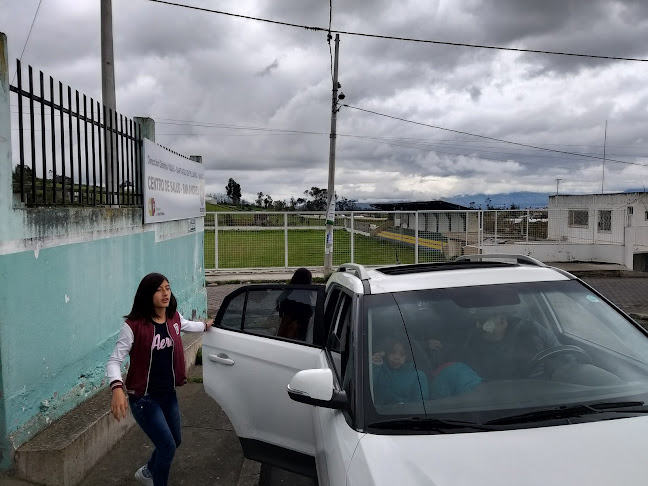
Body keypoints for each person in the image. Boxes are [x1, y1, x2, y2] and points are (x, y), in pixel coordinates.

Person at [106, 273, 213, 486]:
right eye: (159, 289)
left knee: (175, 441)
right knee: (167, 447)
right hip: (145, 400)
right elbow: (113, 362)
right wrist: (117, 388)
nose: (165, 293)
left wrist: (207, 325)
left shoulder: (173, 317)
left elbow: (187, 325)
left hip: (167, 394)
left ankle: (147, 473)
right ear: (147, 294)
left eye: (167, 288)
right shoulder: (133, 326)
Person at [463, 311, 563, 380]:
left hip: (546, 391)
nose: (478, 326)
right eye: (477, 321)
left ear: (502, 320)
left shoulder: (532, 330)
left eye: (483, 321)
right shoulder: (471, 343)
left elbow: (563, 355)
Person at [372, 335, 429, 404]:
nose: (396, 357)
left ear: (408, 356)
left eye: (402, 354)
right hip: (377, 413)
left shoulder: (418, 376)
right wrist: (374, 366)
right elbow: (368, 388)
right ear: (386, 353)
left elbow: (420, 404)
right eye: (392, 352)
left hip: (404, 413)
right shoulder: (379, 369)